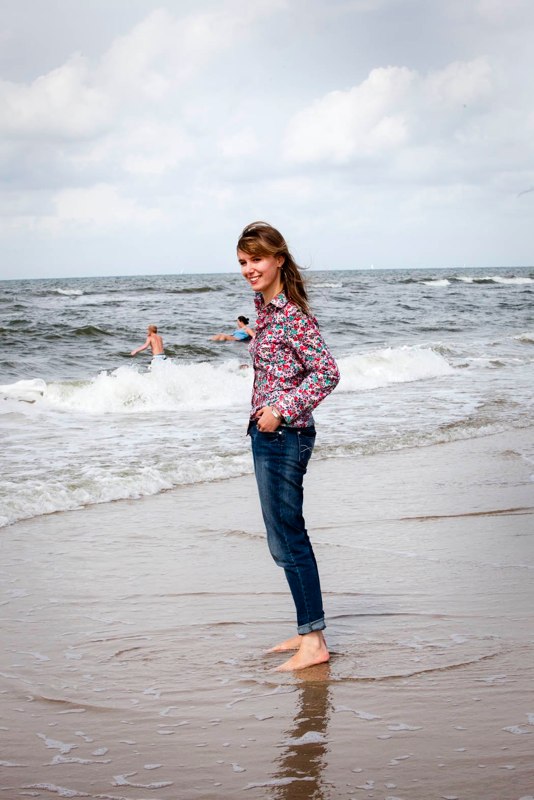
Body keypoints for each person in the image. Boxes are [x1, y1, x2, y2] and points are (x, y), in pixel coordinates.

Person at [238, 221, 340, 671]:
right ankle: (306, 631)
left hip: (285, 434)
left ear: (278, 259)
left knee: (289, 539)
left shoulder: (291, 316)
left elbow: (327, 372)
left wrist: (280, 409)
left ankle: (314, 642)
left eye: (257, 259)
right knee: (281, 539)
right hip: (270, 435)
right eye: (243, 261)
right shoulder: (265, 312)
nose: (249, 269)